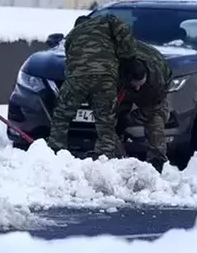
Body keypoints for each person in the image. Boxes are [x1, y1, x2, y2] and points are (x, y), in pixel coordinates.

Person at [47, 13, 138, 159]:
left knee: (61, 115)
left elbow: (69, 61)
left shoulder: (71, 35)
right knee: (106, 119)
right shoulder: (105, 21)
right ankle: (105, 154)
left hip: (77, 77)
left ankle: (56, 151)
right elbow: (122, 28)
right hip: (105, 76)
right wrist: (129, 57)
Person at [115, 41, 172, 173]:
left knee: (155, 120)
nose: (138, 88)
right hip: (123, 82)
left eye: (140, 84)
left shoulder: (157, 80)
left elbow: (151, 110)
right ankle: (116, 160)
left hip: (154, 90)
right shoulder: (115, 68)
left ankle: (156, 162)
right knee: (113, 120)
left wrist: (130, 118)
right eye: (135, 85)